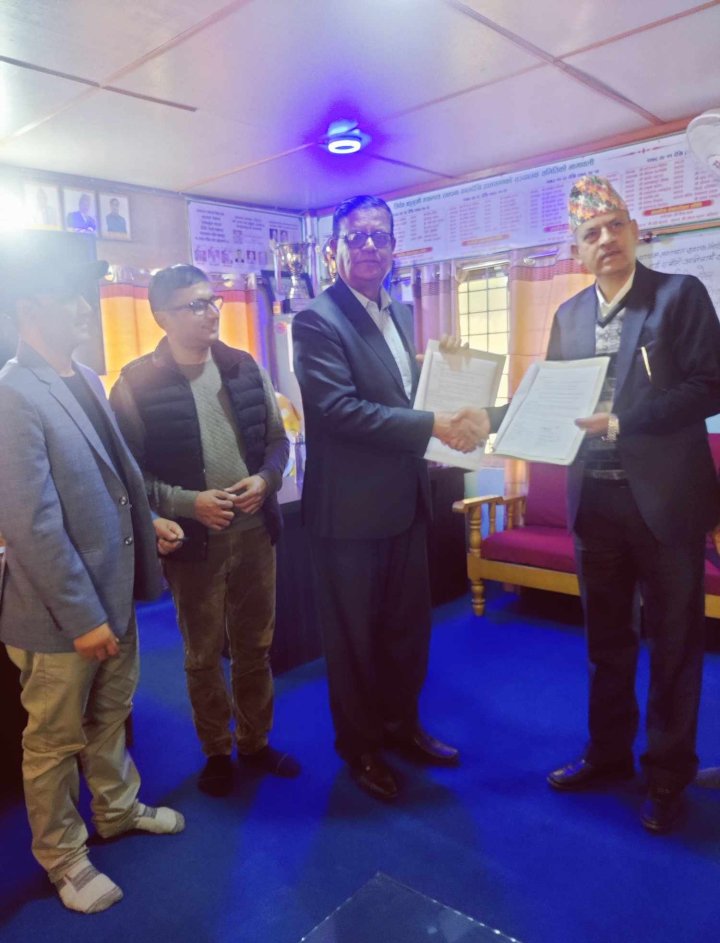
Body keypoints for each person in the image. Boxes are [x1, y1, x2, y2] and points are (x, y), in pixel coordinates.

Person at [475, 175, 720, 833]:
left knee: (674, 645)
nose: (605, 239)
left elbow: (710, 385)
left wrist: (622, 422)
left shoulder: (679, 295)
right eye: (591, 233)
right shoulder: (569, 316)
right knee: (606, 642)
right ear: (577, 250)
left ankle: (667, 773)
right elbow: (548, 399)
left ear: (634, 232)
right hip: (595, 504)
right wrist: (486, 419)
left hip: (665, 502)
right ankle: (608, 755)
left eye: (615, 226)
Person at [0, 247, 186, 914]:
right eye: (68, 297)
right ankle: (63, 858)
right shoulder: (12, 393)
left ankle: (116, 808)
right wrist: (83, 618)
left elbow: (108, 479)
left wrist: (149, 520)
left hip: (114, 590)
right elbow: (32, 525)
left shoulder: (80, 374)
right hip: (59, 615)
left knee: (110, 714)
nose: (85, 308)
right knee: (54, 741)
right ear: (29, 309)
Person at [292, 195, 483, 801]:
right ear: (335, 250)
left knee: (407, 631)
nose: (369, 246)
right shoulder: (317, 320)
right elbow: (340, 410)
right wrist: (433, 423)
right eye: (357, 237)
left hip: (404, 503)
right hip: (348, 513)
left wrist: (443, 371)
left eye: (380, 236)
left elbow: (401, 394)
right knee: (354, 642)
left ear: (395, 248)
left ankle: (403, 727)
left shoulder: (399, 313)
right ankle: (362, 749)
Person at [110, 264, 298, 797]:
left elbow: (278, 442)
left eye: (212, 300)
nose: (210, 312)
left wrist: (266, 480)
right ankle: (216, 749)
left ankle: (255, 742)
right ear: (161, 317)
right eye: (194, 305)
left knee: (255, 646)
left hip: (255, 531)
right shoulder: (135, 384)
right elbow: (127, 475)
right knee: (202, 654)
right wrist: (188, 503)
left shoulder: (243, 366)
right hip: (193, 543)